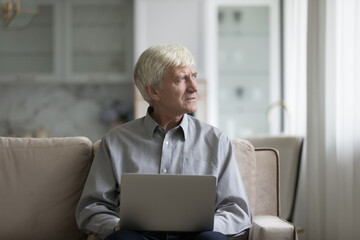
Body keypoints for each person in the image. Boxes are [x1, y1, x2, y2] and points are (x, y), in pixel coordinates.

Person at [75, 44, 252, 240]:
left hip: (197, 238)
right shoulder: (115, 142)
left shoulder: (216, 141)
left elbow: (237, 210)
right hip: (137, 237)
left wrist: (211, 226)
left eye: (193, 76)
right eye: (181, 79)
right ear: (154, 91)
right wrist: (115, 225)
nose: (194, 87)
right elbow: (91, 208)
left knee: (212, 239)